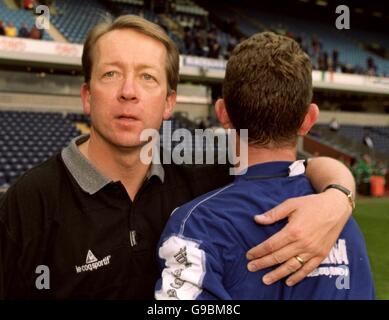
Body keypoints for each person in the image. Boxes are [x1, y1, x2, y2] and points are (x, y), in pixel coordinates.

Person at [0, 15, 355, 299]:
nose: (128, 92)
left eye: (147, 78)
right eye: (111, 74)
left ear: (169, 103)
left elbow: (302, 165)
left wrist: (338, 198)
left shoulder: (202, 172)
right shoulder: (29, 202)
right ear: (87, 95)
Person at [156, 32, 374, 300]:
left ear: (222, 113)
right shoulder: (341, 222)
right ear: (309, 120)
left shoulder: (196, 225)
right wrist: (341, 193)